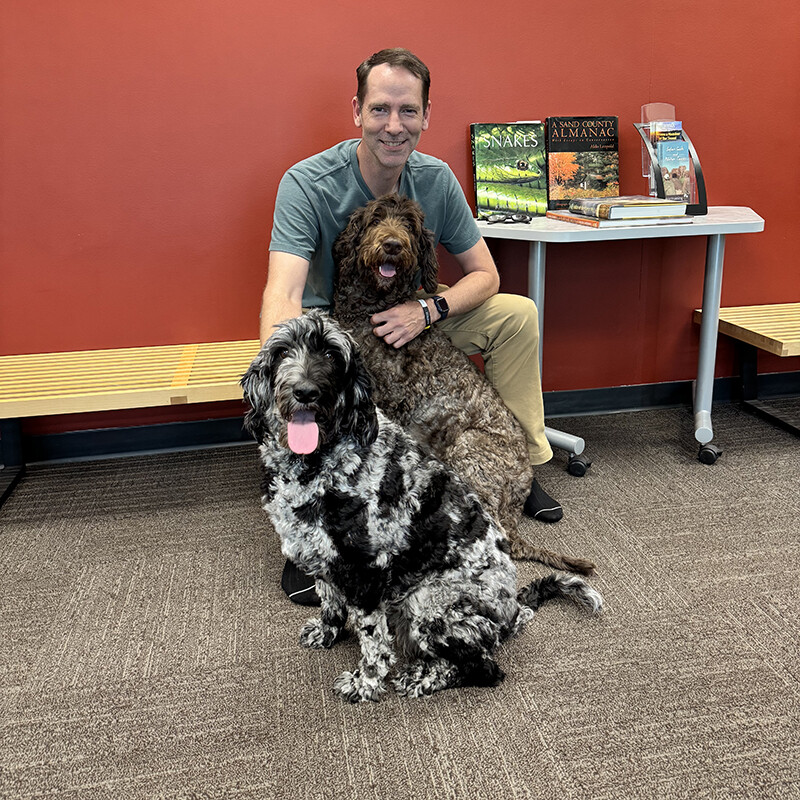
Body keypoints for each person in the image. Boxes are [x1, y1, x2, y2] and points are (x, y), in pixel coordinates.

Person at [260, 48, 562, 605]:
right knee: (325, 368)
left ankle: (524, 460)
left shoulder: (437, 178)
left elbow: (485, 275)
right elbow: (283, 292)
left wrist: (426, 311)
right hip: (338, 323)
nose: (393, 126)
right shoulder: (308, 183)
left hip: (417, 312)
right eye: (380, 110)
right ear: (357, 111)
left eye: (407, 111)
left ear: (426, 115)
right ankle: (312, 505)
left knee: (518, 313)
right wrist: (290, 366)